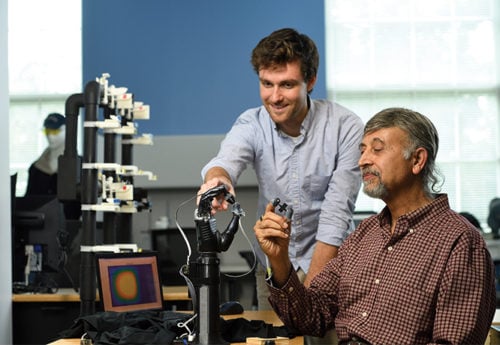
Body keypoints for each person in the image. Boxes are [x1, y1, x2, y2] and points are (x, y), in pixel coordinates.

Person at [255, 107, 497, 344]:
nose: (362, 161)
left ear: (417, 160)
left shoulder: (461, 242)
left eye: (377, 149)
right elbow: (310, 317)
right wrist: (279, 260)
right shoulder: (364, 234)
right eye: (362, 150)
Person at [198, 28, 363, 311]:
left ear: (310, 81)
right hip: (274, 267)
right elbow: (227, 159)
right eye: (266, 83)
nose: (274, 97)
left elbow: (336, 216)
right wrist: (218, 180)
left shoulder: (346, 128)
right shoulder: (252, 124)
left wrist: (308, 299)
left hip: (331, 263)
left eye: (286, 85)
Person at [25, 112, 66, 196]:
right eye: (47, 131)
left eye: (55, 131)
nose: (50, 136)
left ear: (67, 130)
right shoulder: (35, 168)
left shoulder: (80, 165)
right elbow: (29, 200)